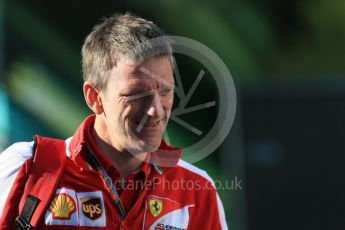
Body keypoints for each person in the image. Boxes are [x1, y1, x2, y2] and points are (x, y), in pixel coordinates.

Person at [0, 13, 228, 229]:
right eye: (137, 94)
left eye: (166, 91)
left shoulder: (197, 190)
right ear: (94, 98)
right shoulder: (27, 167)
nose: (155, 110)